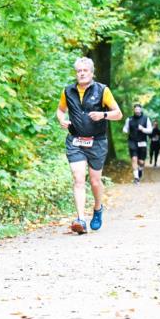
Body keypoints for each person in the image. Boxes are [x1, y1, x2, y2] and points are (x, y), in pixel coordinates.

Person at [56, 56, 123, 234]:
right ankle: (81, 220)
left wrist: (103, 115)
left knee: (94, 180)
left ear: (92, 73)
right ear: (76, 73)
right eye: (79, 71)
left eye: (85, 70)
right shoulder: (68, 91)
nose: (82, 73)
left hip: (97, 141)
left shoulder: (103, 90)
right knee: (78, 179)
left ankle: (98, 208)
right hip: (75, 141)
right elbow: (60, 110)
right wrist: (62, 120)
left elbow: (118, 114)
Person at [122, 104, 152, 184]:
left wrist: (143, 129)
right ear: (134, 110)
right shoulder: (129, 119)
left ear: (141, 110)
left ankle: (140, 170)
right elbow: (125, 128)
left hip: (142, 141)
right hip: (132, 141)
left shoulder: (146, 118)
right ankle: (136, 178)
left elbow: (150, 130)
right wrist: (125, 130)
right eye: (136, 109)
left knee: (141, 161)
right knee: (134, 159)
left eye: (139, 109)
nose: (137, 111)